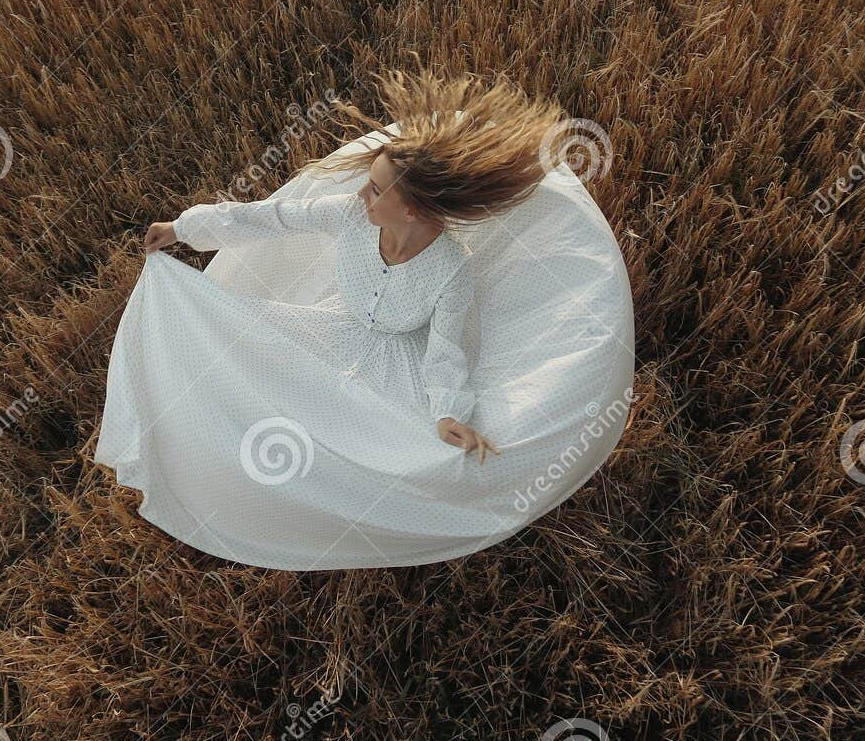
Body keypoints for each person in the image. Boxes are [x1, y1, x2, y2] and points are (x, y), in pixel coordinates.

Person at [139, 68, 563, 461]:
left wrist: (448, 413)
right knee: (248, 373)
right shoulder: (350, 214)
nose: (362, 194)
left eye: (376, 189)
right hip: (332, 331)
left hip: (397, 369)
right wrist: (183, 227)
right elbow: (274, 216)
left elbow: (446, 350)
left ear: (412, 210)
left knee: (374, 452)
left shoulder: (451, 271)